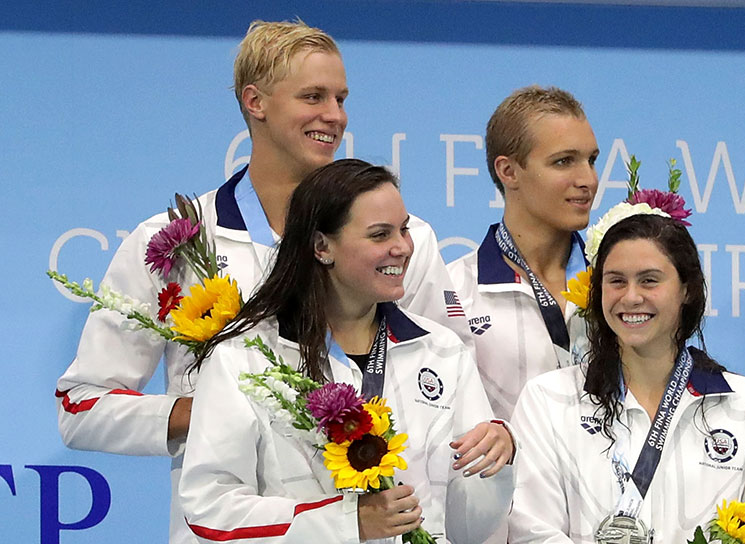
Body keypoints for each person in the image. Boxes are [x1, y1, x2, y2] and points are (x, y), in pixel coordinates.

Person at [55, 20, 467, 544]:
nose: (334, 116)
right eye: (313, 96)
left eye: (340, 98)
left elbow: (439, 383)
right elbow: (80, 407)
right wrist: (211, 410)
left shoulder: (408, 244)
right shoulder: (174, 243)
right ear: (256, 101)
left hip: (385, 526)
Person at [179, 159, 514, 543]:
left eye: (404, 230)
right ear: (322, 246)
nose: (403, 248)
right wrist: (344, 523)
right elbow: (210, 510)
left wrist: (499, 462)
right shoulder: (245, 358)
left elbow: (470, 528)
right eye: (379, 235)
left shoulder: (441, 352)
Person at [507, 206, 745, 543]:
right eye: (616, 281)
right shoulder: (547, 400)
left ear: (687, 289)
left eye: (649, 280)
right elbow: (530, 530)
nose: (631, 297)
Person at [447, 85, 599, 420]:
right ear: (509, 171)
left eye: (591, 160)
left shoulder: (616, 287)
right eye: (564, 162)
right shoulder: (454, 292)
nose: (587, 178)